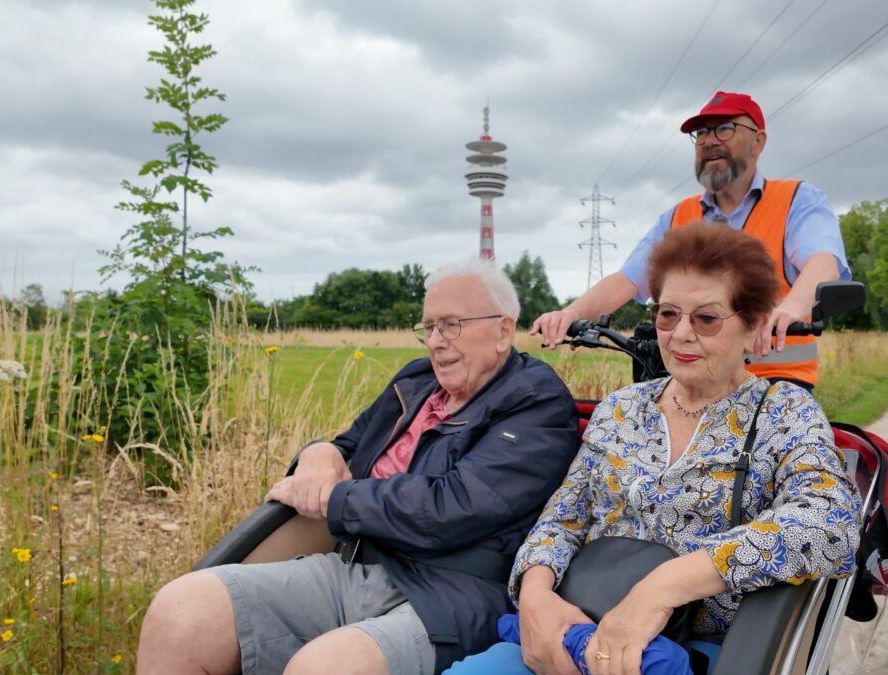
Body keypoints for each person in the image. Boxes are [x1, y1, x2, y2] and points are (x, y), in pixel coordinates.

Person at [447, 223, 861, 675]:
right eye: (668, 315)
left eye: (706, 318)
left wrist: (662, 587)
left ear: (753, 326)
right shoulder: (620, 409)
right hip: (580, 623)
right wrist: (536, 598)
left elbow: (830, 523)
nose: (680, 334)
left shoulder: (783, 412)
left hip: (693, 649)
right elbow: (563, 517)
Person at [136, 258, 581, 675]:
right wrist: (316, 453)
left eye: (452, 325)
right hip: (356, 562)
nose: (435, 341)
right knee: (180, 610)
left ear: (504, 330)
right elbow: (349, 446)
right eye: (427, 327)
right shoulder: (415, 381)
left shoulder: (536, 401)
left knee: (324, 668)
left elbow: (453, 507)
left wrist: (333, 498)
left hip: (452, 592)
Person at [533, 91, 851, 390]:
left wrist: (792, 309)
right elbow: (627, 279)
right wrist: (570, 315)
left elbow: (823, 262)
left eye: (724, 129)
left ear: (758, 142)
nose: (709, 141)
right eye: (701, 134)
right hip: (693, 383)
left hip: (774, 382)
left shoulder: (796, 200)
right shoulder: (677, 217)